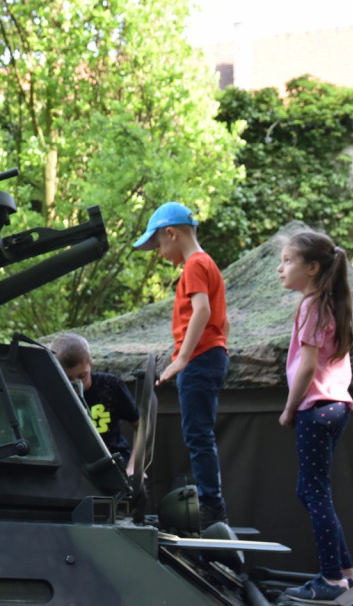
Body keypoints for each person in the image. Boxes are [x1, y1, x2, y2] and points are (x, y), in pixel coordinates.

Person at [132, 202, 230, 529]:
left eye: (159, 244)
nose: (159, 252)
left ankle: (212, 507)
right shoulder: (209, 264)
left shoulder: (194, 266)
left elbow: (201, 311)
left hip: (200, 359)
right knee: (200, 433)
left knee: (197, 434)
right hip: (213, 355)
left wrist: (182, 359)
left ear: (171, 233)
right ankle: (211, 501)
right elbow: (223, 322)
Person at [277, 230, 353, 602]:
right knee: (313, 490)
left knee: (313, 491)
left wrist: (289, 407)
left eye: (288, 261)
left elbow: (308, 367)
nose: (281, 268)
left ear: (312, 268)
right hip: (338, 407)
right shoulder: (331, 303)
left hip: (317, 407)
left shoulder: (312, 305)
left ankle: (331, 578)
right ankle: (345, 570)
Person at [50, 332, 140, 470]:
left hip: (115, 464)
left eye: (82, 376)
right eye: (68, 379)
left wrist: (134, 467)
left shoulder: (111, 386)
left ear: (90, 364)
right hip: (74, 468)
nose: (76, 384)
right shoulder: (53, 392)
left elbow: (143, 427)